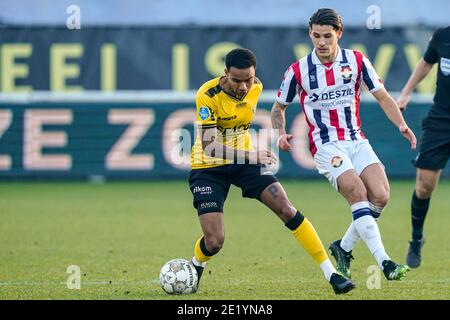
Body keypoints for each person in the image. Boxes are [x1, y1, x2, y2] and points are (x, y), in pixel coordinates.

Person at [188, 47, 355, 294]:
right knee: (215, 241)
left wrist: (253, 154)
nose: (244, 87)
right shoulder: (207, 94)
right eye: (237, 81)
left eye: (248, 80)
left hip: (244, 163)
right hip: (208, 168)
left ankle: (332, 275)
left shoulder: (256, 86)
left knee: (286, 207)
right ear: (225, 73)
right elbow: (211, 146)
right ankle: (195, 265)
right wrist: (252, 155)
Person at [271, 8, 417, 281]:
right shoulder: (298, 70)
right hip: (326, 146)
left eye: (327, 36)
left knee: (381, 196)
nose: (322, 42)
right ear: (310, 34)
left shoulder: (357, 61)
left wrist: (401, 124)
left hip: (356, 139)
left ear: (339, 34)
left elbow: (383, 96)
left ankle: (343, 246)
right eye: (316, 36)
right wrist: (279, 132)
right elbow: (278, 107)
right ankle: (385, 262)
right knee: (357, 193)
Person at [397, 26, 450, 268]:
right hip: (441, 119)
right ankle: (416, 239)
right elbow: (427, 62)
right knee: (424, 186)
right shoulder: (442, 36)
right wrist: (406, 93)